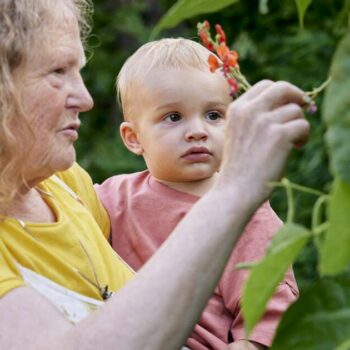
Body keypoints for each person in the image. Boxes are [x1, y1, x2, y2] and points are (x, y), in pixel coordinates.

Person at [0, 0, 310, 349]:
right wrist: (235, 192)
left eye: (214, 115)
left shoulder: (66, 186)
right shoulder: (119, 197)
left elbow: (270, 330)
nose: (85, 99)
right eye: (58, 72)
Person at [95, 38, 299, 350]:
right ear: (134, 138)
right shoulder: (113, 197)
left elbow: (268, 321)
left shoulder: (246, 215)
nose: (198, 131)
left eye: (214, 115)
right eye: (174, 117)